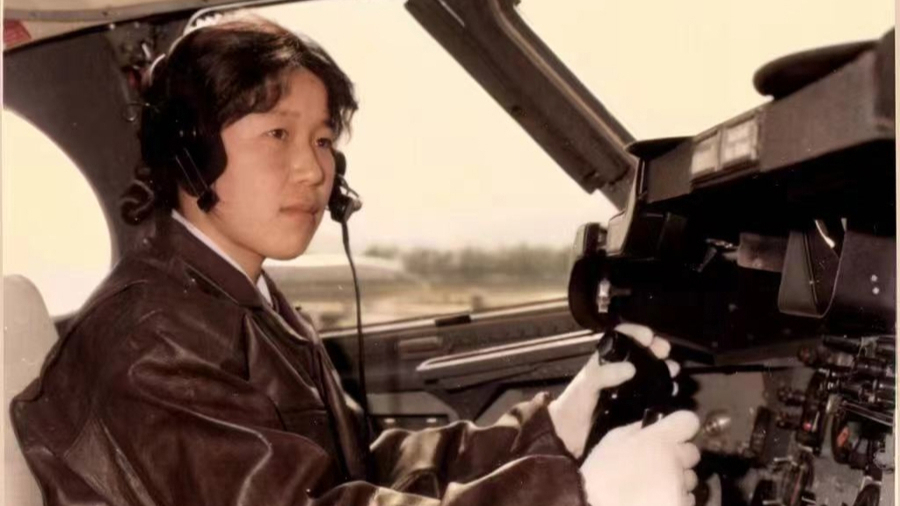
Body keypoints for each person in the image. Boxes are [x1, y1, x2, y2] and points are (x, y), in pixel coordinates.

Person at [11, 14, 700, 506]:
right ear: (191, 153)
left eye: (321, 140)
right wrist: (578, 492)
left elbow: (359, 468)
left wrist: (552, 427)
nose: (315, 170)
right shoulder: (150, 342)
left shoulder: (233, 298)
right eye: (277, 134)